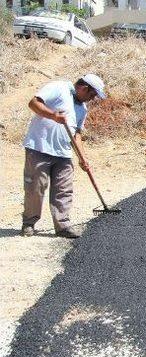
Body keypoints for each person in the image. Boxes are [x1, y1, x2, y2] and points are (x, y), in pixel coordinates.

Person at [21, 74, 106, 239]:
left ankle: (63, 226)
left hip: (63, 153)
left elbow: (77, 134)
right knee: (35, 188)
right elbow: (33, 103)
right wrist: (53, 115)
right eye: (92, 94)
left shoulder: (82, 108)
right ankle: (29, 223)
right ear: (83, 88)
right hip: (40, 148)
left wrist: (82, 157)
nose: (92, 98)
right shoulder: (59, 88)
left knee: (64, 190)